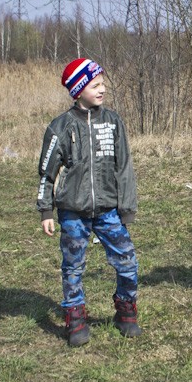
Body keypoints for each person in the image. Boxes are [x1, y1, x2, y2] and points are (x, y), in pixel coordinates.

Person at [36, 58, 142, 347]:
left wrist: (126, 208)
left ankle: (126, 311)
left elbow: (124, 167)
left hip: (109, 211)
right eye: (95, 84)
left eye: (103, 83)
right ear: (78, 89)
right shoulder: (60, 127)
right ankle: (75, 318)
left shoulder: (113, 122)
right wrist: (46, 210)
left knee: (128, 262)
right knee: (72, 267)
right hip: (73, 212)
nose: (102, 89)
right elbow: (47, 171)